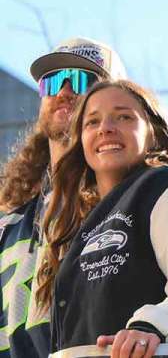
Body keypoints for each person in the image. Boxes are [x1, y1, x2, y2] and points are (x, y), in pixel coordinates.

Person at [36, 80, 168, 358]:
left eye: (123, 117)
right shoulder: (84, 228)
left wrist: (152, 328)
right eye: (92, 122)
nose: (106, 128)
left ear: (153, 133)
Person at [0, 38, 126, 358]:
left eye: (81, 80)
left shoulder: (132, 204)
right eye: (53, 81)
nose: (64, 91)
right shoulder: (9, 222)